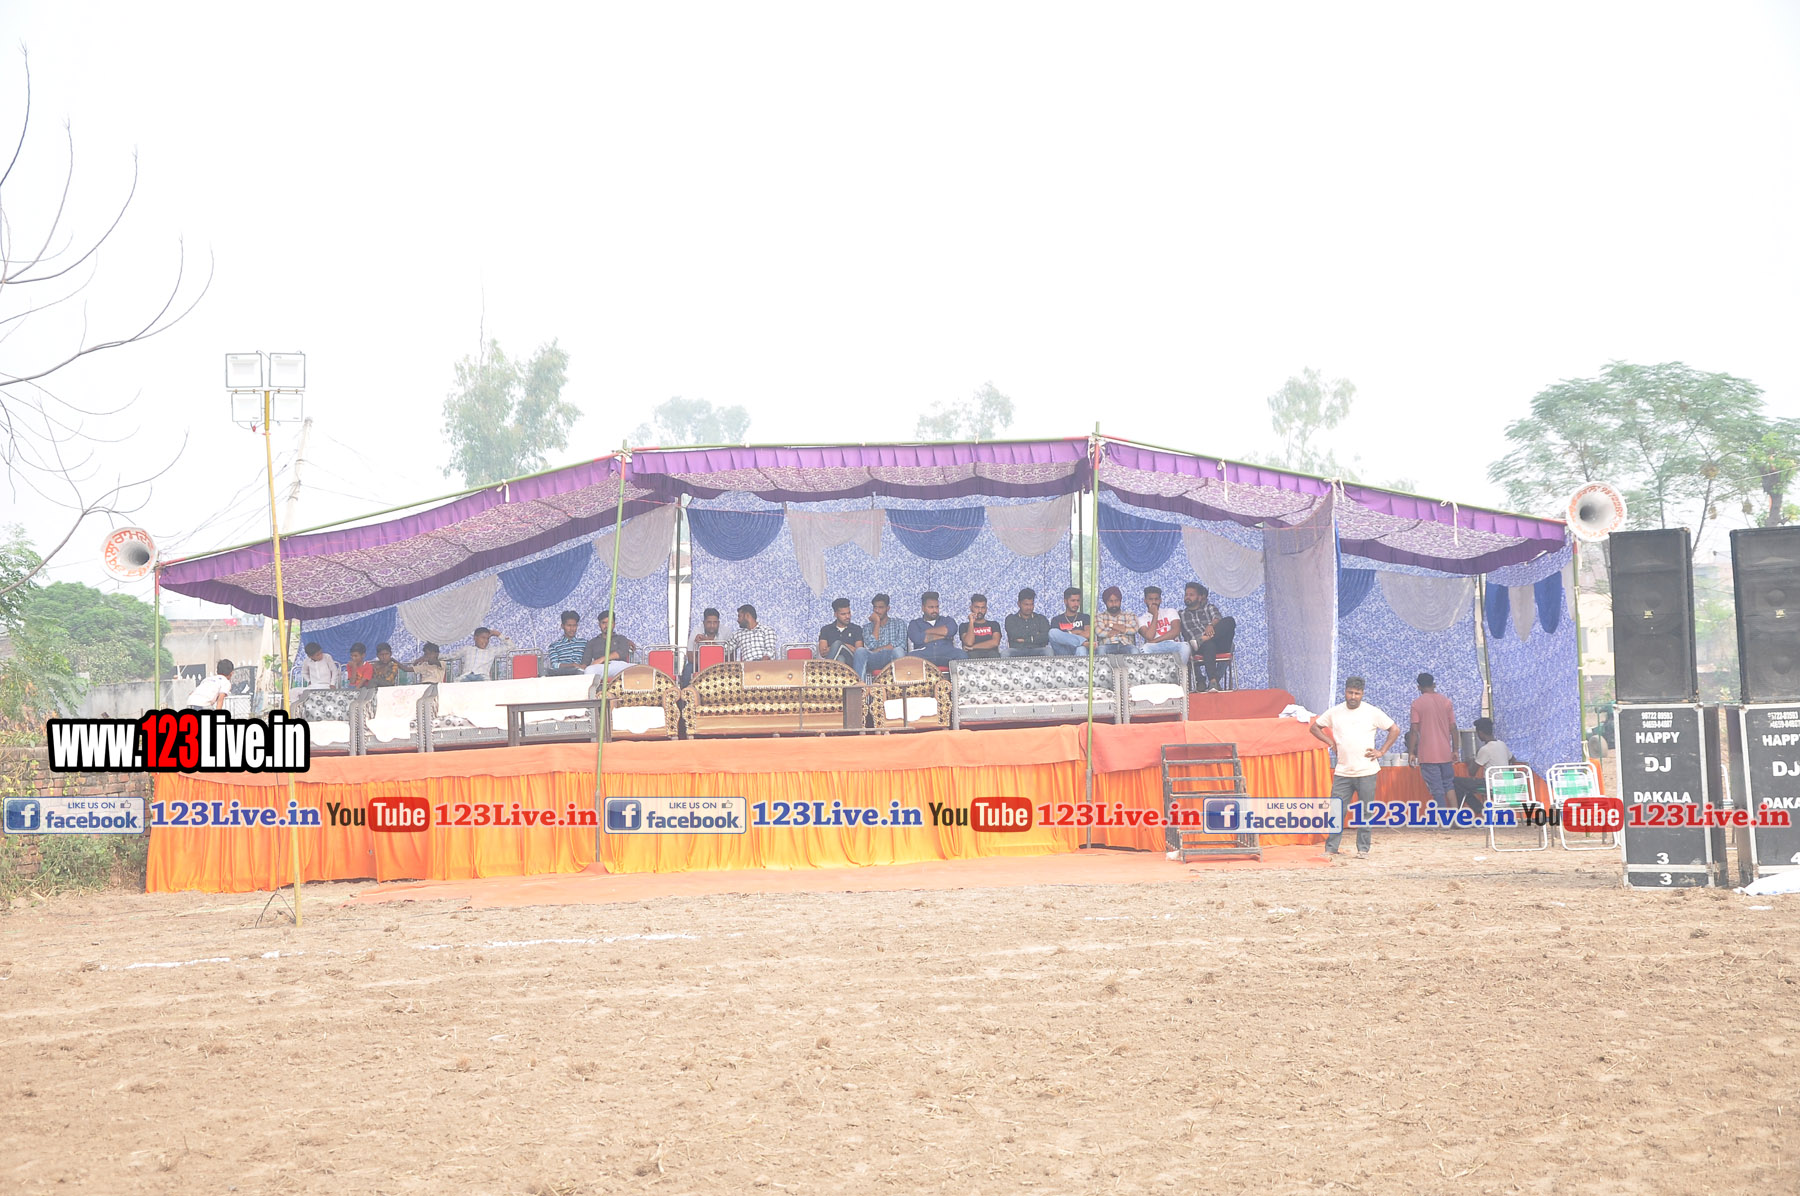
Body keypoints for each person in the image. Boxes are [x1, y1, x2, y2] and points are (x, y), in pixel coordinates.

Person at [1311, 676, 1399, 859]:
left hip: (1366, 770)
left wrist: (1382, 751)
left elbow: (1394, 729)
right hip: (1343, 771)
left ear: (1362, 694)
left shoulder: (1372, 712)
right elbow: (1315, 727)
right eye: (1350, 692)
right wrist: (1330, 742)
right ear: (1345, 692)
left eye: (1357, 693)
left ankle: (1363, 849)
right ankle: (1331, 848)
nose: (1353, 696)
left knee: (1366, 811)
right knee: (1336, 810)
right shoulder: (1335, 712)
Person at [1408, 672, 1457, 810]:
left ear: (1418, 687)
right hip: (1445, 753)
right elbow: (1453, 728)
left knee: (1437, 790)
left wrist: (1411, 752)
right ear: (1434, 685)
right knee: (1449, 785)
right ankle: (1456, 816)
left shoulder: (1417, 704)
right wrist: (1455, 750)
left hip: (1428, 755)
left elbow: (1414, 730)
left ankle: (1443, 818)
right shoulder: (1446, 702)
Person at [1453, 717, 1522, 810]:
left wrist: (1471, 760)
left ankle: (1479, 809)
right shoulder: (1502, 744)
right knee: (1464, 787)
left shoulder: (1485, 749)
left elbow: (1472, 772)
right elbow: (1513, 759)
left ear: (1480, 733)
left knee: (1455, 782)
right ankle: (1479, 809)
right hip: (1506, 784)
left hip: (1491, 786)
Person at [1180, 583, 1234, 691]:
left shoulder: (1209, 608)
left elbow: (1217, 618)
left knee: (1229, 621)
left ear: (1200, 597)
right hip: (1197, 648)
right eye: (1186, 595)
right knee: (1208, 645)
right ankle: (1213, 682)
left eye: (1191, 595)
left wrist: (1211, 625)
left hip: (1216, 643)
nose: (1188, 597)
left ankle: (1203, 639)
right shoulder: (1180, 614)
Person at [1136, 585, 1189, 668]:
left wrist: (1155, 640)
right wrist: (1155, 615)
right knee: (1144, 649)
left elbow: (1175, 631)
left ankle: (1179, 672)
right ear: (1145, 601)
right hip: (1154, 647)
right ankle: (1154, 675)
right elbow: (1149, 636)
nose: (1154, 602)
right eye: (1150, 599)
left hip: (1172, 644)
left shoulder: (1170, 611)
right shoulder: (1141, 619)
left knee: (1185, 646)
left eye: (1156, 599)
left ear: (1160, 600)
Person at [907, 592, 964, 666]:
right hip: (924, 653)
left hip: (946, 651)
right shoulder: (915, 623)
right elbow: (917, 639)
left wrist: (926, 632)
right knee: (909, 658)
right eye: (931, 607)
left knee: (962, 655)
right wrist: (944, 635)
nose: (935, 610)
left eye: (937, 607)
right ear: (923, 608)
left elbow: (952, 630)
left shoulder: (947, 620)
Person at [818, 598, 870, 678]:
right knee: (840, 658)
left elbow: (858, 652)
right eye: (843, 614)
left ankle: (825, 673)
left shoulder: (856, 629)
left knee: (838, 644)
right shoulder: (826, 629)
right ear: (836, 614)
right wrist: (844, 647)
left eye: (849, 613)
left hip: (851, 661)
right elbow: (823, 652)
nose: (847, 616)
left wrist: (842, 646)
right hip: (836, 663)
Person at [582, 610, 636, 679]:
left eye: (610, 622)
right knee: (589, 670)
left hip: (619, 666)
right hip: (601, 667)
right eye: (604, 623)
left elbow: (622, 652)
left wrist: (602, 659)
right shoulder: (592, 642)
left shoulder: (621, 638)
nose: (607, 626)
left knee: (638, 669)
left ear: (614, 624)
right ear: (599, 625)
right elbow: (585, 662)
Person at [863, 593, 907, 677]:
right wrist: (877, 623)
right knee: (860, 651)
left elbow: (902, 644)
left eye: (881, 607)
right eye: (875, 607)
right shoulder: (867, 627)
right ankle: (860, 683)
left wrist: (880, 649)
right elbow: (871, 646)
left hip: (892, 657)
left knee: (898, 651)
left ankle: (901, 682)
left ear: (888, 608)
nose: (877, 610)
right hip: (875, 659)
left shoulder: (899, 623)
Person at [1004, 588, 1052, 657]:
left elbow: (1046, 637)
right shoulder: (1011, 619)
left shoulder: (1041, 619)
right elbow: (1014, 635)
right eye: (1026, 604)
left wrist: (1025, 640)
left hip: (1037, 650)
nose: (1029, 608)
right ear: (1019, 604)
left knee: (1048, 651)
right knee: (1005, 653)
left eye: (1031, 604)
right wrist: (1036, 636)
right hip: (1017, 650)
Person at [683, 608, 725, 684]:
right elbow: (690, 658)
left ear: (719, 623)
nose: (712, 625)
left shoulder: (726, 631)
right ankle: (686, 690)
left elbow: (730, 658)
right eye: (709, 622)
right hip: (699, 665)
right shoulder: (696, 631)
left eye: (715, 622)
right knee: (688, 669)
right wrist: (706, 664)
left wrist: (706, 640)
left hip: (720, 665)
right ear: (704, 623)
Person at [1047, 587, 1093, 656]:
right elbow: (1056, 638)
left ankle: (1081, 644)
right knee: (1052, 632)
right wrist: (1078, 632)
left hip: (1079, 649)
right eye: (1073, 601)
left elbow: (1088, 634)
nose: (1076, 604)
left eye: (1078, 601)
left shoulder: (1085, 617)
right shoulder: (1056, 619)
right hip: (1063, 650)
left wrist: (1067, 635)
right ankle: (1082, 642)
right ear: (1065, 601)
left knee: (1081, 649)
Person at [541, 612, 586, 676]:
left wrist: (580, 666)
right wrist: (572, 665)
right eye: (569, 625)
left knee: (581, 671)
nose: (572, 629)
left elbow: (588, 661)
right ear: (562, 626)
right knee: (544, 671)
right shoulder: (554, 646)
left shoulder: (584, 643)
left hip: (579, 673)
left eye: (574, 625)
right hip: (561, 673)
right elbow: (555, 665)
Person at [959, 594, 1003, 658]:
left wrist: (973, 647)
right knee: (972, 655)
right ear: (971, 608)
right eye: (977, 607)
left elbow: (995, 642)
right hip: (972, 655)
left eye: (983, 608)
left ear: (986, 609)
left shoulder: (994, 624)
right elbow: (969, 643)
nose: (980, 611)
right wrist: (971, 622)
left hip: (991, 654)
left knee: (994, 655)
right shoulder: (964, 626)